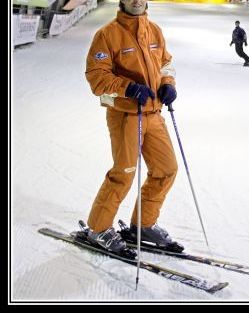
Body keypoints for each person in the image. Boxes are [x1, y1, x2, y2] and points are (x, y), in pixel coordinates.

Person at [84, 0, 183, 254]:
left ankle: (144, 224)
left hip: (154, 114)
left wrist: (168, 83)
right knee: (124, 173)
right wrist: (127, 87)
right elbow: (97, 77)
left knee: (166, 169)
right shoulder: (107, 34)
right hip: (126, 115)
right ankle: (98, 228)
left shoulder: (154, 30)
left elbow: (165, 63)